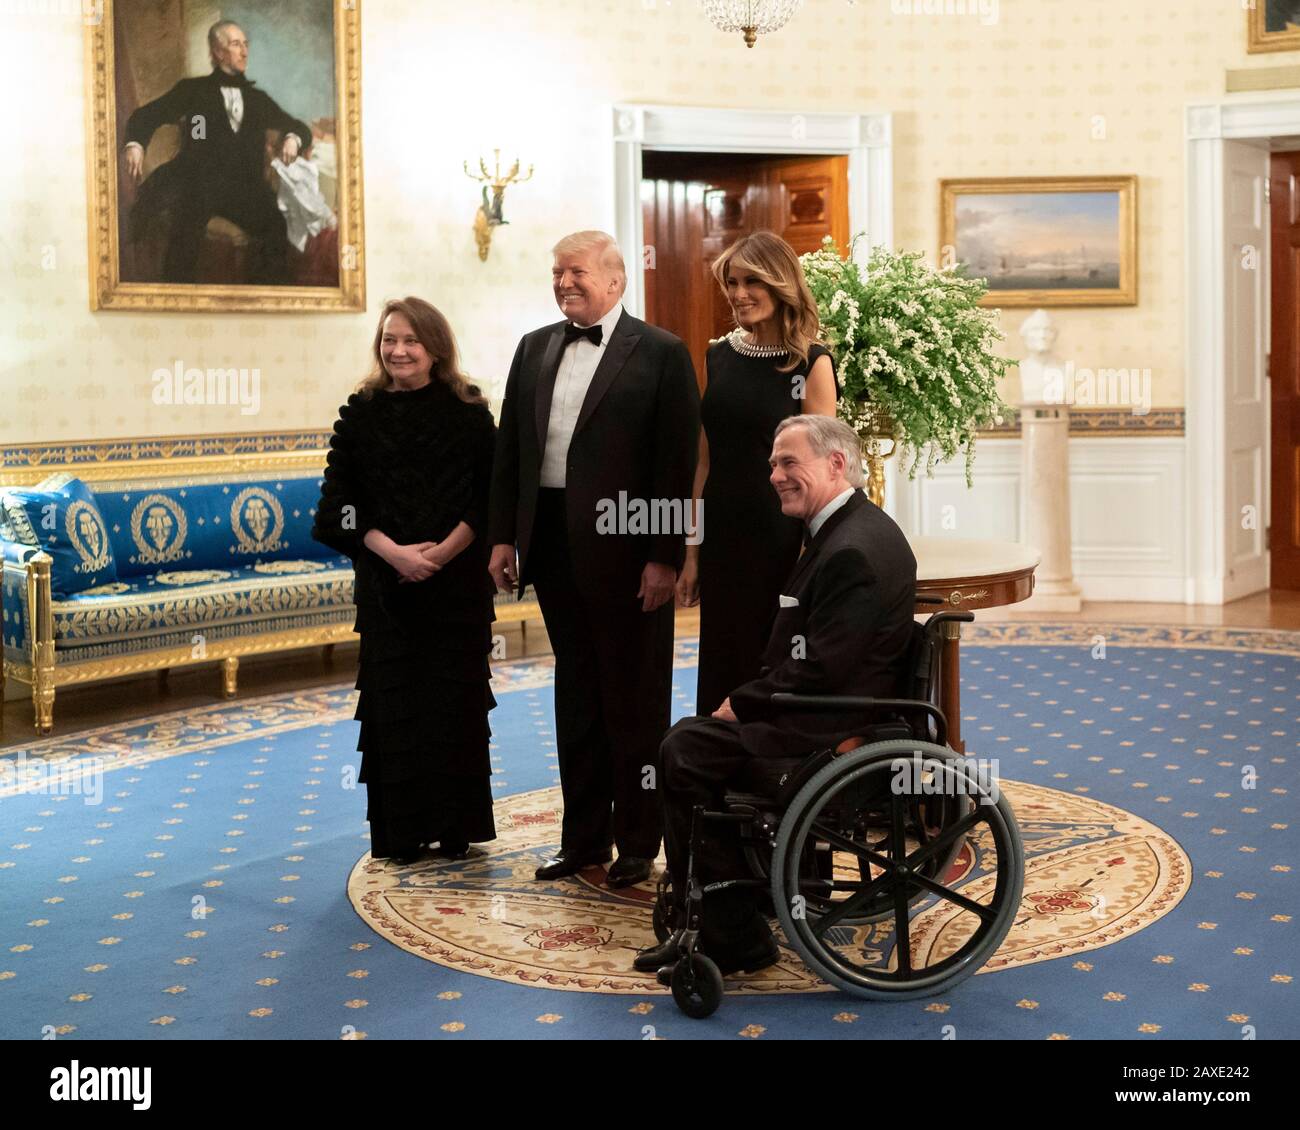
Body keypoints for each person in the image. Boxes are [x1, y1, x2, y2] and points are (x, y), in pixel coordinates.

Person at [636, 414, 917, 977]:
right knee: (688, 741)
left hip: (828, 727)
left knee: (684, 752)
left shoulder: (852, 549)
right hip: (822, 709)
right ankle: (719, 914)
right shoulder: (845, 531)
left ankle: (731, 933)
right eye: (772, 464)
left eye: (789, 462)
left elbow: (823, 667)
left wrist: (746, 701)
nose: (774, 475)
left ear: (836, 464)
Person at [488, 230, 700, 889]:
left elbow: (677, 461)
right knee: (575, 695)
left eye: (576, 272)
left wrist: (665, 558)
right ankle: (582, 839)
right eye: (557, 272)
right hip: (550, 544)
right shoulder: (534, 347)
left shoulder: (662, 352)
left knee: (635, 699)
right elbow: (511, 451)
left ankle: (639, 841)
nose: (564, 283)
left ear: (615, 281)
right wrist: (503, 537)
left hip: (632, 549)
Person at [313, 298, 498, 864]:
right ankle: (402, 836)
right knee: (395, 712)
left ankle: (455, 829)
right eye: (389, 339)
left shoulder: (469, 411)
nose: (397, 350)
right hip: (386, 589)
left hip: (457, 587)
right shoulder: (360, 412)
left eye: (411, 341)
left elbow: (489, 500)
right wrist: (394, 554)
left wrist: (438, 555)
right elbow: (336, 510)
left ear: (435, 347)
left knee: (453, 707)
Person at [677, 231, 838, 717]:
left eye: (752, 281)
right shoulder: (717, 355)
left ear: (781, 283)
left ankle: (775, 778)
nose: (739, 293)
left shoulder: (812, 362)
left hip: (783, 537)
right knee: (725, 659)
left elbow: (827, 470)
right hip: (724, 535)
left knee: (776, 659)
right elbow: (704, 461)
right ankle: (721, 777)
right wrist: (690, 552)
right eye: (731, 282)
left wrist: (816, 551)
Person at [122, 19, 311, 284]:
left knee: (275, 225)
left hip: (244, 188)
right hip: (198, 183)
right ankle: (175, 298)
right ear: (218, 52)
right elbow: (146, 116)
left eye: (246, 44)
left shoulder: (257, 100)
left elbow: (297, 126)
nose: (245, 51)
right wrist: (136, 144)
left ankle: (264, 299)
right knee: (185, 232)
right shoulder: (193, 91)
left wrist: (292, 138)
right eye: (236, 44)